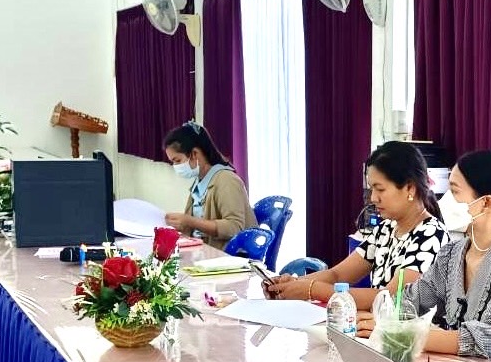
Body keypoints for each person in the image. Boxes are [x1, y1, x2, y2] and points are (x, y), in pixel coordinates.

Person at [384, 150, 491, 362]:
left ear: (486, 203)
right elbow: (412, 301)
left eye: (454, 191)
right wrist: (383, 317)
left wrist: (410, 335)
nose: (444, 201)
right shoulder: (451, 254)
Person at [266, 142, 448, 309]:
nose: (373, 198)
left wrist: (311, 290)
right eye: (372, 189)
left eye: (380, 189)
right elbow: (337, 275)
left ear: (409, 188)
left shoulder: (431, 235)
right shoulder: (386, 229)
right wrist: (292, 284)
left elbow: (391, 298)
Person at [162, 121, 254, 251]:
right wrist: (180, 224)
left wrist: (190, 221)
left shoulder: (227, 180)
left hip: (229, 255)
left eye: (177, 161)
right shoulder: (199, 183)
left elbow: (235, 227)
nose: (175, 166)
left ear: (194, 154)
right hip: (205, 252)